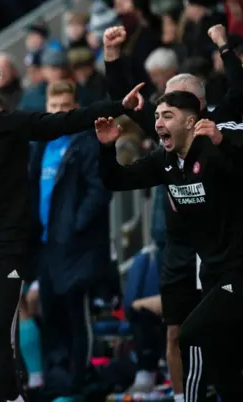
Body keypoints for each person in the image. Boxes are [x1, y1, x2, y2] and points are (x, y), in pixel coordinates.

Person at [0, 61, 143, 402]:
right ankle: (15, 391)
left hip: (7, 247)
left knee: (1, 332)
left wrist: (117, 105)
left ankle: (8, 395)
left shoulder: (14, 125)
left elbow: (66, 120)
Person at [103, 24, 243, 402]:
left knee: (196, 332)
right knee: (204, 342)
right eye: (160, 110)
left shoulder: (219, 132)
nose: (159, 119)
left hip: (235, 261)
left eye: (170, 109)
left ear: (196, 109)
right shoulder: (165, 153)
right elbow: (131, 107)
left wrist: (225, 49)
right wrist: (113, 60)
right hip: (197, 255)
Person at [28, 80, 112, 402]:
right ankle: (58, 383)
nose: (59, 112)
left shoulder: (86, 143)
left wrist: (75, 224)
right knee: (51, 317)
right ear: (46, 108)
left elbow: (99, 189)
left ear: (75, 107)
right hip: (48, 247)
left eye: (65, 106)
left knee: (78, 319)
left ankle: (79, 384)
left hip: (76, 248)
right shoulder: (41, 145)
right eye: (54, 107)